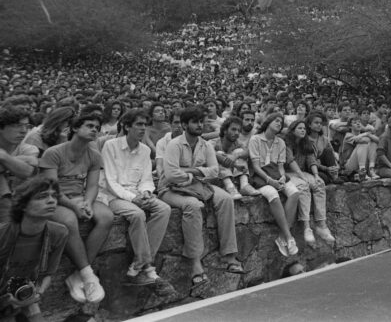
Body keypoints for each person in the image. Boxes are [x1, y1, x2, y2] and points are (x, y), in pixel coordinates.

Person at [157, 106, 244, 289]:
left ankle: (229, 255)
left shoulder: (205, 144)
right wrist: (196, 174)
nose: (200, 125)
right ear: (184, 125)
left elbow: (214, 171)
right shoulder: (174, 145)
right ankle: (195, 263)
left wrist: (189, 172)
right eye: (195, 122)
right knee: (193, 206)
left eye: (201, 122)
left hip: (198, 185)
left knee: (226, 199)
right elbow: (171, 176)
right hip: (171, 189)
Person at [99, 109, 175, 295]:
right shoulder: (110, 145)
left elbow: (146, 179)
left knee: (163, 209)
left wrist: (147, 192)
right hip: (114, 196)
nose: (143, 128)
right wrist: (134, 198)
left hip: (138, 194)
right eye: (138, 124)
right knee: (137, 214)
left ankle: (137, 265)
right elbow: (110, 182)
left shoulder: (146, 150)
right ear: (126, 126)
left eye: (144, 125)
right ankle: (147, 268)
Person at [39, 112, 112, 304]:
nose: (94, 129)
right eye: (89, 125)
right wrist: (73, 205)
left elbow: (93, 185)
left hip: (79, 197)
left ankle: (78, 275)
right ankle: (88, 276)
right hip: (52, 199)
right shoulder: (53, 153)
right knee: (69, 220)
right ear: (75, 128)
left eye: (97, 127)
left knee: (106, 216)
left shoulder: (94, 155)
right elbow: (51, 188)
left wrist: (87, 203)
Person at [0, 177, 68, 322]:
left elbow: (47, 274)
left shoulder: (59, 233)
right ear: (23, 205)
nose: (51, 201)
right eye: (42, 196)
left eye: (54, 196)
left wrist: (37, 293)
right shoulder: (3, 235)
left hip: (23, 295)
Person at [248, 113, 300, 256]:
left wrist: (282, 177)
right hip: (260, 176)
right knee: (273, 194)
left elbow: (281, 167)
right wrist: (270, 181)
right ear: (268, 122)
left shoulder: (281, 142)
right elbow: (256, 167)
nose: (279, 123)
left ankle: (282, 237)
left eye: (281, 122)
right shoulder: (255, 139)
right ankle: (289, 237)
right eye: (276, 121)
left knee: (294, 193)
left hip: (276, 174)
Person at [283, 119, 335, 245]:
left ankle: (321, 225)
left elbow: (311, 160)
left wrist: (316, 175)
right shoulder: (286, 143)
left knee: (319, 183)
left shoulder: (306, 143)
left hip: (301, 172)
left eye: (304, 129)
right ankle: (306, 227)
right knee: (303, 186)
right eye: (300, 128)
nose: (303, 130)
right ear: (293, 130)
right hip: (287, 173)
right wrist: (302, 176)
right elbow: (290, 161)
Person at [0, 106, 37, 222]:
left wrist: (3, 156)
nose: (24, 131)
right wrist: (17, 161)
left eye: (27, 126)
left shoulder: (29, 149)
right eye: (17, 125)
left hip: (17, 201)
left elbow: (26, 172)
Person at [212, 116, 258, 199]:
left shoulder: (237, 142)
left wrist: (235, 156)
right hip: (217, 177)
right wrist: (225, 158)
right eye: (233, 129)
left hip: (233, 173)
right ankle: (230, 188)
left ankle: (244, 185)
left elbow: (247, 152)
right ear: (225, 130)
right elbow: (209, 153)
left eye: (239, 130)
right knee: (219, 153)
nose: (237, 133)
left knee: (239, 151)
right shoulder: (215, 142)